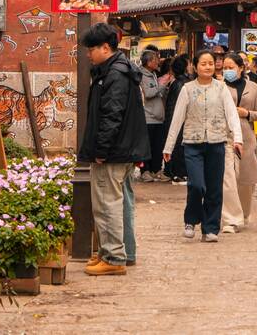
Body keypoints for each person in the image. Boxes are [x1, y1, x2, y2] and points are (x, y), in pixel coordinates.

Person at [77, 23, 151, 276]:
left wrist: (101, 149)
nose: (88, 54)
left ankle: (114, 257)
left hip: (114, 151)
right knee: (123, 202)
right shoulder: (120, 69)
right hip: (125, 149)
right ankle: (123, 253)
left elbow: (111, 115)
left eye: (91, 49)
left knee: (107, 202)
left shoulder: (114, 74)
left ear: (105, 48)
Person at [162, 49, 243, 242]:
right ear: (195, 66)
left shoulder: (221, 88)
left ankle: (210, 228)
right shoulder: (187, 89)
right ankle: (190, 220)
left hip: (217, 143)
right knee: (197, 185)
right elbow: (177, 119)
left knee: (214, 188)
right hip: (192, 143)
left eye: (210, 63)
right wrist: (168, 147)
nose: (207, 67)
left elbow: (232, 115)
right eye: (203, 63)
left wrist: (237, 138)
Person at [221, 53, 257, 232]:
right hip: (224, 135)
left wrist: (247, 113)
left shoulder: (253, 87)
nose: (227, 71)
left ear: (240, 68)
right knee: (228, 179)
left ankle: (244, 214)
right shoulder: (219, 86)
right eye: (224, 68)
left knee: (246, 181)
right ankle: (231, 219)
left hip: (246, 136)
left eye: (231, 67)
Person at [137, 48, 167, 181]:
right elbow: (148, 94)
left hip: (158, 118)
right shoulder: (142, 75)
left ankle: (155, 170)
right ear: (148, 62)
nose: (158, 62)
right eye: (155, 59)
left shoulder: (153, 74)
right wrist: (162, 85)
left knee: (157, 146)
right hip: (148, 117)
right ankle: (146, 171)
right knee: (147, 146)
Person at [162, 54, 192, 184]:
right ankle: (178, 173)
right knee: (178, 146)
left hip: (173, 119)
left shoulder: (178, 82)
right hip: (178, 120)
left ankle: (173, 171)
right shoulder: (183, 83)